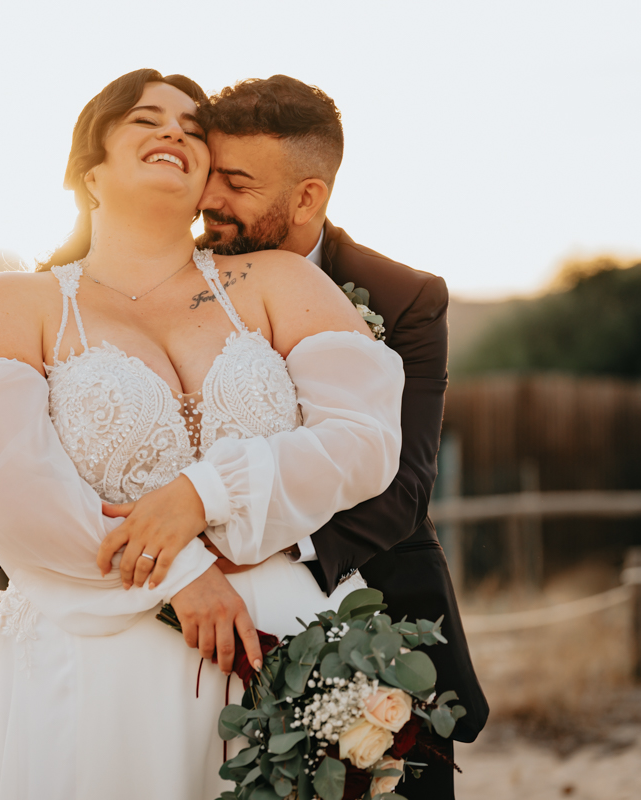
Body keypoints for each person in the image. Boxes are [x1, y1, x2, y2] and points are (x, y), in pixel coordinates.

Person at [0, 69, 404, 800]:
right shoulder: (14, 303)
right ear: (89, 172)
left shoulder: (279, 282)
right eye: (145, 119)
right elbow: (6, 489)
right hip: (100, 661)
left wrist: (204, 493)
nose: (173, 132)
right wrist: (179, 575)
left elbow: (363, 439)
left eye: (190, 126)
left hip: (286, 653)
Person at [193, 75, 490, 799]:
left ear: (308, 198)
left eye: (237, 182)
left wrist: (259, 549)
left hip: (377, 613)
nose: (209, 200)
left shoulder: (404, 297)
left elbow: (404, 485)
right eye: (209, 174)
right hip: (205, 622)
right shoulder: (176, 276)